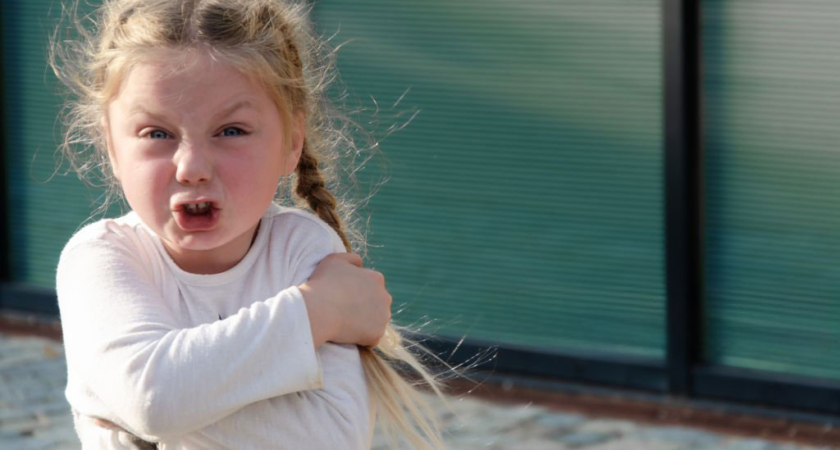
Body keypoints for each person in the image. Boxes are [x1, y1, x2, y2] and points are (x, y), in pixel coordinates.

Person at [51, 0, 446, 448]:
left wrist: (142, 412)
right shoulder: (100, 258)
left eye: (231, 131)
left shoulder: (304, 249)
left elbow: (330, 439)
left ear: (291, 143)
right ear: (110, 147)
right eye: (157, 133)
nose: (192, 167)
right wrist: (320, 312)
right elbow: (153, 400)